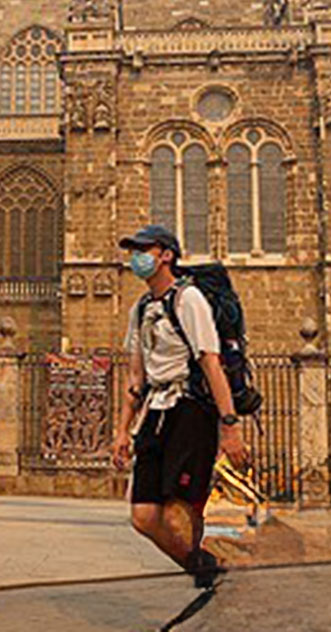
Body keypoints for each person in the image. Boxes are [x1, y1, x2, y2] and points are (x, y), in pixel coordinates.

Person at [110, 225, 250, 589]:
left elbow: (210, 363)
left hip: (189, 409)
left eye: (143, 249)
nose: (136, 257)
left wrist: (229, 427)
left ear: (166, 255)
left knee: (178, 515)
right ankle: (203, 565)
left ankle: (205, 578)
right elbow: (135, 378)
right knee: (143, 517)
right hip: (155, 411)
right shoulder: (140, 309)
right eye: (132, 250)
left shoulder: (189, 300)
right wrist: (122, 430)